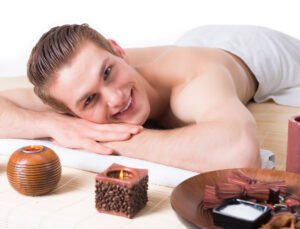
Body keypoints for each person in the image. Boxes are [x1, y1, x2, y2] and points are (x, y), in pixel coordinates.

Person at [1, 24, 300, 173]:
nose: (116, 98)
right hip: (194, 40)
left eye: (108, 72)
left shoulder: (194, 82)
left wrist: (102, 136)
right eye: (89, 101)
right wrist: (54, 125)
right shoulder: (73, 83)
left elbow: (239, 151)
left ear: (119, 51)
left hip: (269, 51)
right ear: (70, 109)